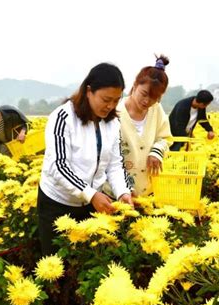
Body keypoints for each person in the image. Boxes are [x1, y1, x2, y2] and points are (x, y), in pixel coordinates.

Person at [38, 62, 133, 255]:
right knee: (56, 261)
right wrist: (90, 194)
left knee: (86, 258)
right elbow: (59, 165)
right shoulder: (63, 117)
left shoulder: (112, 123)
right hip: (58, 203)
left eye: (116, 100)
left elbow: (114, 164)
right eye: (106, 99)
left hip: (90, 202)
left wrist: (123, 192)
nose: (111, 106)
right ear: (89, 91)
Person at [117, 55, 172, 196]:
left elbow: (165, 138)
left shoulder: (157, 110)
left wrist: (156, 151)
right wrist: (123, 190)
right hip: (117, 192)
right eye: (144, 94)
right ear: (135, 86)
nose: (147, 101)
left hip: (148, 189)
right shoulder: (116, 111)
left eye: (154, 97)